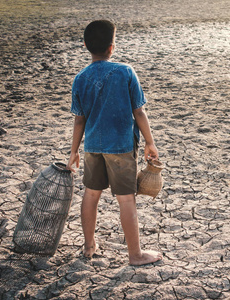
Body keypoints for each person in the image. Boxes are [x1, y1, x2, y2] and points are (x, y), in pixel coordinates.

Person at [66, 20, 162, 266]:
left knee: (91, 194)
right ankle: (135, 255)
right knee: (126, 199)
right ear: (112, 47)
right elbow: (139, 112)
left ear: (86, 45)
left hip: (92, 147)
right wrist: (150, 143)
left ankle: (88, 246)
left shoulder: (80, 78)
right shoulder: (125, 71)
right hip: (121, 146)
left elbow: (79, 119)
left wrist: (74, 151)